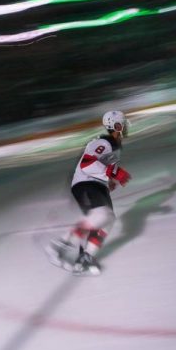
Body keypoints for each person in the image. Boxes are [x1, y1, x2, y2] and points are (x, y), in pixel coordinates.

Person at [46, 110, 132, 275]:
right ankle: (57, 247)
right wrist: (114, 173)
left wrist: (110, 180)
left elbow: (104, 166)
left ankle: (85, 257)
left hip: (96, 184)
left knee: (106, 219)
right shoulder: (104, 142)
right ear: (116, 125)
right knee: (100, 216)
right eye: (123, 123)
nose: (126, 127)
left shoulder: (115, 145)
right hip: (85, 183)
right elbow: (87, 164)